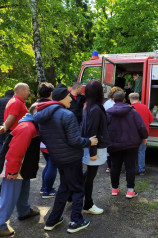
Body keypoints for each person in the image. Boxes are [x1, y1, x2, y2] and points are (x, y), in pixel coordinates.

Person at [34, 83, 98, 233]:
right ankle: (76, 221)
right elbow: (74, 140)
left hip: (58, 158)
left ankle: (52, 220)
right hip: (71, 158)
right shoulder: (67, 115)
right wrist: (90, 141)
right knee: (77, 188)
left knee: (64, 187)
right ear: (62, 97)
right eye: (69, 96)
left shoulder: (43, 116)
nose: (71, 98)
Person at [0, 104, 40, 237]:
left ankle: (24, 211)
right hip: (15, 167)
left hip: (22, 167)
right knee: (9, 196)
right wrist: (11, 171)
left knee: (24, 187)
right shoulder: (28, 127)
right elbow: (15, 152)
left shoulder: (31, 125)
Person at [106, 91, 148, 198]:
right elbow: (141, 127)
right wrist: (144, 136)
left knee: (115, 166)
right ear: (125, 99)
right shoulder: (133, 112)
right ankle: (130, 191)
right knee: (130, 167)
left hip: (114, 144)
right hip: (131, 144)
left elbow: (103, 129)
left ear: (114, 100)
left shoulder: (108, 113)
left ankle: (114, 189)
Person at [81, 80, 110, 215]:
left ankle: (72, 194)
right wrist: (93, 152)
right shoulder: (96, 108)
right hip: (95, 147)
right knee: (90, 176)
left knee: (88, 175)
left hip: (92, 145)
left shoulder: (88, 106)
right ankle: (88, 204)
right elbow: (92, 131)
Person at [36, 82, 58, 198]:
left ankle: (44, 187)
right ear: (51, 93)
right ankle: (47, 191)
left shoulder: (36, 105)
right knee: (52, 165)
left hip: (41, 141)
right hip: (50, 141)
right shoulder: (51, 106)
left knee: (48, 164)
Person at [129, 93, 153, 175]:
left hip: (132, 134)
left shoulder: (129, 108)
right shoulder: (145, 107)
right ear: (138, 98)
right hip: (143, 134)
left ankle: (130, 169)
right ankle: (141, 170)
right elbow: (151, 119)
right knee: (141, 152)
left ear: (130, 99)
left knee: (131, 152)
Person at [103, 86, 124, 173]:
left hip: (108, 128)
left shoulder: (106, 103)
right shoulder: (117, 104)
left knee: (109, 148)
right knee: (117, 148)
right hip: (117, 128)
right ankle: (116, 166)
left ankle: (109, 166)